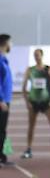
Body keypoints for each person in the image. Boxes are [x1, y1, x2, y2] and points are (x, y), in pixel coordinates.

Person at [21, 49, 50, 159]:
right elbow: (24, 87)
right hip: (33, 101)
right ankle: (28, 149)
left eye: (38, 55)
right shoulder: (30, 70)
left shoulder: (48, 69)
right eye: (35, 55)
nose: (36, 57)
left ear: (42, 56)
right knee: (31, 126)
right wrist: (27, 102)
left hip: (46, 101)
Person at [0, 34, 12, 166]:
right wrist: (1, 99)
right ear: (5, 44)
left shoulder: (4, 60)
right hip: (1, 101)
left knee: (2, 129)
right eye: (10, 43)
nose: (11, 45)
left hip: (5, 99)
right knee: (0, 129)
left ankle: (1, 155)